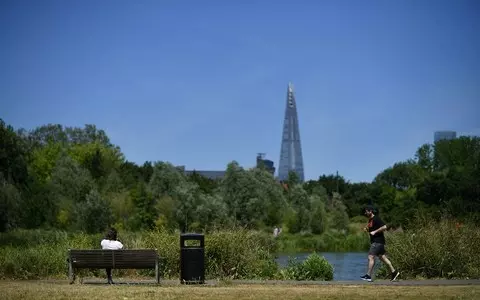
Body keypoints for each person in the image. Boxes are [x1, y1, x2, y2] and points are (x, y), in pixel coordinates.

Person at [360, 205, 400, 282]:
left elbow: (384, 227)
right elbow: (371, 228)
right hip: (379, 242)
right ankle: (394, 272)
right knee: (383, 258)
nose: (365, 213)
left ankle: (368, 275)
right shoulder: (370, 220)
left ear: (370, 211)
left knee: (370, 257)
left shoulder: (376, 218)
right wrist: (367, 229)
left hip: (377, 242)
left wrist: (375, 231)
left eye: (366, 211)